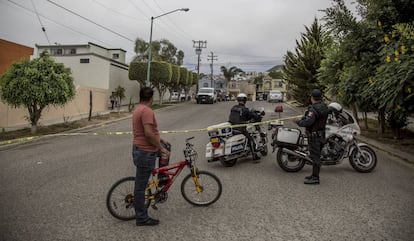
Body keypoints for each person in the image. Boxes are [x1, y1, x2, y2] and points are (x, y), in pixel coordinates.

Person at [132, 87, 170, 226]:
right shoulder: (147, 111)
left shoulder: (138, 108)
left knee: (167, 149)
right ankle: (142, 218)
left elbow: (148, 132)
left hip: (141, 149)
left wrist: (161, 141)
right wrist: (160, 148)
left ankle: (162, 180)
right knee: (140, 187)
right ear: (151, 97)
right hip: (145, 151)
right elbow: (148, 134)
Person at [295, 89, 329, 184]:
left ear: (312, 98)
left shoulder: (313, 109)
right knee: (316, 155)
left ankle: (315, 178)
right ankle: (314, 175)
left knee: (315, 157)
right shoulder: (324, 107)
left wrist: (297, 121)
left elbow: (308, 122)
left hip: (314, 137)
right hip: (321, 135)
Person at [228, 93, 261, 162]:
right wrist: (257, 116)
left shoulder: (233, 107)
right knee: (250, 139)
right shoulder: (245, 109)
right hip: (240, 128)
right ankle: (254, 155)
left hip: (232, 127)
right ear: (245, 100)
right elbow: (252, 115)